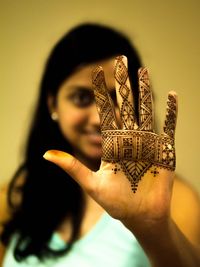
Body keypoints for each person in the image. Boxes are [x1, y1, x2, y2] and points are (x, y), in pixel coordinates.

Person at [0, 22, 200, 267]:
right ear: (52, 103)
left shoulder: (171, 200)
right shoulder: (15, 198)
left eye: (117, 97)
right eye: (82, 98)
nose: (100, 119)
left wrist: (153, 227)